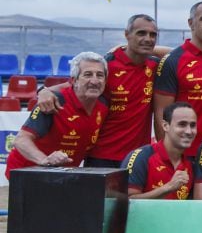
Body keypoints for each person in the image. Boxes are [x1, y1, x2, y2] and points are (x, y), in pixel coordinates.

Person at [36, 13, 160, 168]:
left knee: (136, 194)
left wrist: (152, 48)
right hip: (102, 156)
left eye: (153, 35)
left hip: (136, 157)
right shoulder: (108, 64)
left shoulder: (155, 66)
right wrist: (43, 91)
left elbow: (179, 54)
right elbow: (73, 85)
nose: (148, 39)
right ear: (127, 35)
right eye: (141, 33)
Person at [6, 51, 108, 177]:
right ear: (74, 80)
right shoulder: (52, 102)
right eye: (87, 75)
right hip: (28, 173)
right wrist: (44, 160)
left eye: (100, 75)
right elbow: (21, 140)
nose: (94, 81)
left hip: (62, 175)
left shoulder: (103, 106)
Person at [154, 1, 202, 157]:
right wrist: (166, 156)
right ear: (191, 23)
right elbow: (161, 112)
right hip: (187, 154)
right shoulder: (173, 61)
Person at [122, 102, 197, 199]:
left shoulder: (191, 165)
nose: (189, 131)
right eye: (182, 124)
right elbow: (127, 201)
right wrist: (168, 187)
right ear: (165, 126)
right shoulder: (141, 158)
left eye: (193, 125)